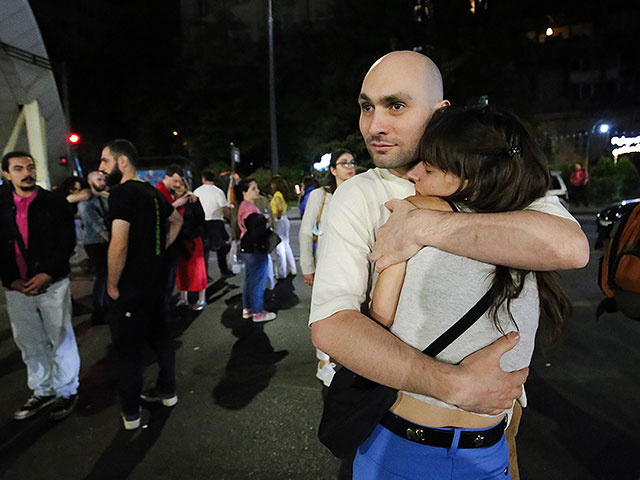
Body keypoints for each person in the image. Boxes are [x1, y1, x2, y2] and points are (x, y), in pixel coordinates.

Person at [309, 51, 589, 476]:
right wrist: (456, 386)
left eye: (396, 106)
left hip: (498, 430)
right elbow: (332, 324)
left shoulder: (495, 180)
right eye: (366, 106)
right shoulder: (359, 195)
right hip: (399, 426)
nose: (374, 125)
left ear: (441, 112)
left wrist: (422, 227)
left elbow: (570, 248)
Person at [355, 105, 572, 479]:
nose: (413, 173)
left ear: (469, 176)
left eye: (430, 166)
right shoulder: (533, 229)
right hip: (489, 452)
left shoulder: (416, 211)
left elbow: (382, 316)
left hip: (405, 450)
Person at [99, 139, 184, 430]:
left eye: (105, 161)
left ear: (122, 161)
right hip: (157, 282)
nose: (101, 168)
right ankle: (168, 391)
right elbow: (176, 221)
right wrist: (157, 249)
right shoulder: (151, 192)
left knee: (127, 352)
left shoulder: (121, 194)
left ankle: (131, 413)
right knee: (161, 339)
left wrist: (112, 285)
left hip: (131, 286)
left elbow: (118, 243)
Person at [0, 151, 80, 421]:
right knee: (29, 342)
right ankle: (42, 389)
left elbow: (66, 241)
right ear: (6, 174)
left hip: (52, 284)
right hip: (16, 288)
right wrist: (10, 279)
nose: (27, 173)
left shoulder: (53, 202)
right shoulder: (1, 204)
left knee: (61, 339)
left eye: (30, 167)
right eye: (19, 168)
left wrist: (48, 273)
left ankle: (67, 391)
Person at [299, 148, 356, 386]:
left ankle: (354, 358)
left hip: (356, 262)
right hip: (327, 263)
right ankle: (323, 361)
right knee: (325, 313)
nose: (350, 167)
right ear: (332, 170)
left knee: (353, 313)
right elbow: (305, 231)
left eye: (353, 162)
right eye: (344, 163)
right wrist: (308, 267)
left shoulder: (359, 192)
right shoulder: (320, 195)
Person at [236, 178, 277, 323]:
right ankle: (258, 312)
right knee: (257, 281)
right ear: (244, 192)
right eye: (253, 188)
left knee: (249, 280)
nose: (257, 191)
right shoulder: (250, 209)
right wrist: (266, 224)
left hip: (247, 248)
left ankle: (248, 308)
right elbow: (256, 232)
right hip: (255, 250)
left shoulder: (243, 206)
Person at [77, 171, 110, 324]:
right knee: (102, 275)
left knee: (106, 275)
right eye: (99, 179)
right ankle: (99, 310)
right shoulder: (86, 201)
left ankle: (104, 307)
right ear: (90, 182)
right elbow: (96, 224)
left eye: (103, 178)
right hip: (95, 242)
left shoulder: (103, 198)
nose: (102, 181)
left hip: (103, 241)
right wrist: (110, 239)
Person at [174, 177, 208, 311]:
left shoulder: (192, 200)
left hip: (193, 238)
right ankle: (183, 297)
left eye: (181, 184)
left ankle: (201, 298)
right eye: (176, 184)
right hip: (178, 239)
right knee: (181, 269)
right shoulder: (171, 200)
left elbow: (201, 218)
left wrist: (197, 233)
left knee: (197, 269)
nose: (178, 187)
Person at [193, 170, 233, 278]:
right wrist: (229, 217)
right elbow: (224, 208)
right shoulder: (218, 192)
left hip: (202, 223)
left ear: (203, 179)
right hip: (216, 222)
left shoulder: (197, 191)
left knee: (204, 250)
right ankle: (224, 271)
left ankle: (204, 274)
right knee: (221, 248)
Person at [270, 175, 297, 280]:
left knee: (279, 246)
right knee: (286, 244)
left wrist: (277, 217)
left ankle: (281, 273)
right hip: (285, 220)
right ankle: (292, 269)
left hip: (279, 220)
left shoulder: (277, 194)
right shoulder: (281, 194)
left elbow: (279, 208)